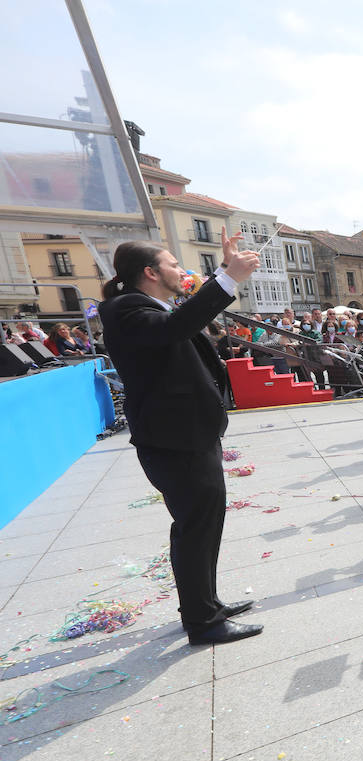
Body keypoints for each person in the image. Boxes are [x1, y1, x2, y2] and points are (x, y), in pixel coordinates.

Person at [96, 230, 265, 645]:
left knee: (206, 525)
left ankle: (205, 605)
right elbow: (175, 327)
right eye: (173, 263)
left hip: (189, 435)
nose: (181, 270)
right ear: (151, 272)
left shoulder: (150, 306)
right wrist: (227, 279)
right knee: (195, 528)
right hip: (175, 440)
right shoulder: (127, 309)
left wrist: (225, 270)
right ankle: (203, 622)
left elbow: (183, 322)